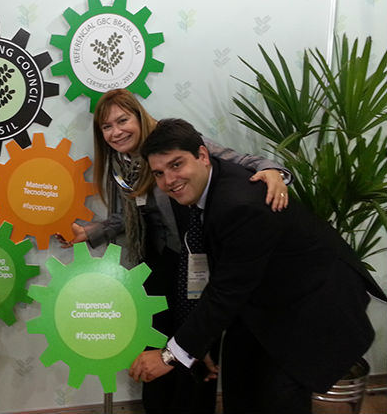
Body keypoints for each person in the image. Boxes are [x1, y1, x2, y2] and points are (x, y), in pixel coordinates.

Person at [129, 118, 386, 414]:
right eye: (159, 173)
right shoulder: (210, 186)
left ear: (202, 155)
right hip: (266, 299)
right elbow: (227, 277)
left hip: (314, 304)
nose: (169, 180)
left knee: (277, 397)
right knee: (241, 380)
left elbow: (227, 290)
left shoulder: (238, 204)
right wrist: (197, 344)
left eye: (176, 165)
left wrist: (170, 355)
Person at [58, 89, 291, 414]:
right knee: (156, 345)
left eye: (122, 120)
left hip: (199, 262)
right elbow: (129, 216)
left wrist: (275, 172)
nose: (116, 132)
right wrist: (92, 232)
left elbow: (241, 162)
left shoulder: (172, 144)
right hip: (160, 262)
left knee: (194, 347)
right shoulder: (120, 165)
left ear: (139, 116)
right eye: (107, 127)